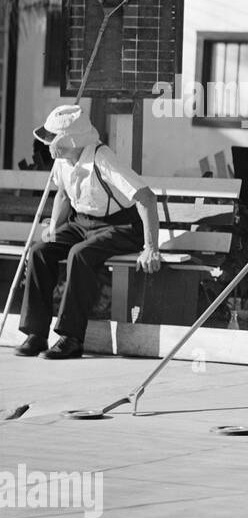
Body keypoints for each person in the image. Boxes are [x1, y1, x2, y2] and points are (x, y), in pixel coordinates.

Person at [15, 104, 160, 359]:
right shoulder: (63, 159)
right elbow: (62, 193)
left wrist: (151, 248)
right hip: (82, 222)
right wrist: (53, 230)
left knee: (80, 254)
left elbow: (146, 197)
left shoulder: (102, 158)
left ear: (71, 139)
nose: (49, 142)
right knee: (39, 252)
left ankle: (72, 338)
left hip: (120, 225)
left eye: (53, 137)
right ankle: (35, 334)